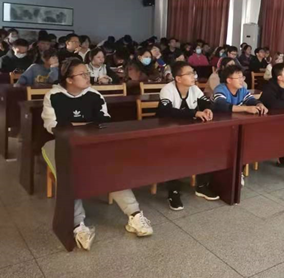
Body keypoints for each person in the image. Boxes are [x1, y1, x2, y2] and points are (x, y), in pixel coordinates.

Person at [41, 58, 153, 250]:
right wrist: (84, 125)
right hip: (61, 143)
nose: (88, 77)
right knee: (69, 173)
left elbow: (104, 121)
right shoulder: (53, 96)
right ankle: (78, 224)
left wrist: (75, 125)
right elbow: (52, 125)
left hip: (91, 142)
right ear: (69, 79)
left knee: (111, 166)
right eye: (82, 74)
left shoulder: (94, 95)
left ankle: (134, 215)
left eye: (88, 73)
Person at [157, 62, 219, 210]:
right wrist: (194, 113)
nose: (193, 76)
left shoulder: (194, 89)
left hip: (189, 132)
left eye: (193, 73)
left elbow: (206, 102)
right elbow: (166, 112)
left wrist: (208, 109)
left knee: (210, 147)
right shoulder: (167, 90)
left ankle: (201, 186)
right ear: (178, 78)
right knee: (175, 152)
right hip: (168, 133)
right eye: (189, 74)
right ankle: (173, 191)